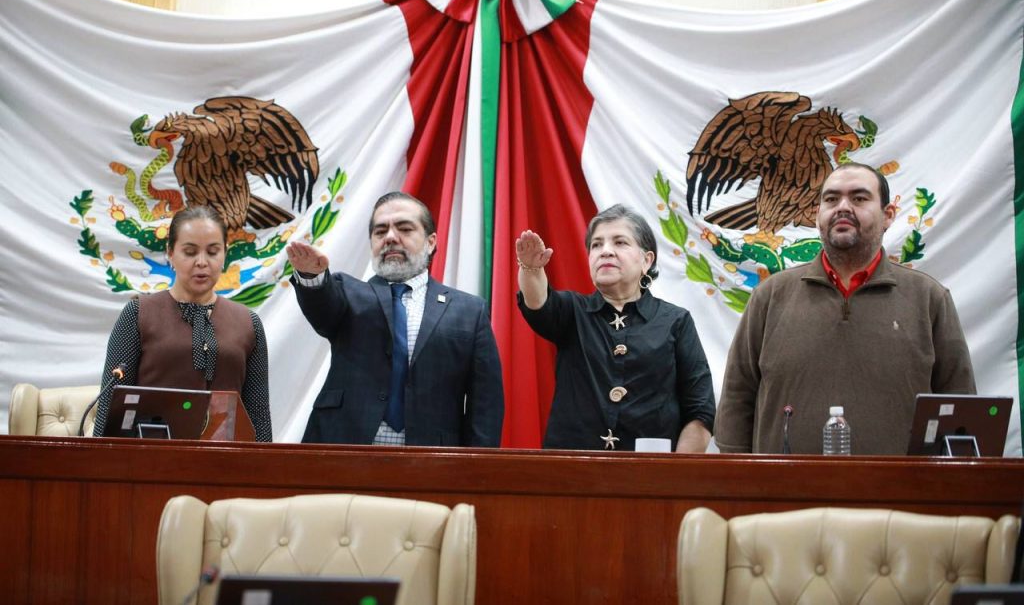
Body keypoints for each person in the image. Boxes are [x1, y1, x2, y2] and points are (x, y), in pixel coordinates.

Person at [715, 162, 976, 455]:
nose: (842, 207)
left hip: (900, 486)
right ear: (818, 215)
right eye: (831, 199)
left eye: (859, 198)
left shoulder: (929, 298)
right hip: (785, 484)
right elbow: (737, 397)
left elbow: (960, 408)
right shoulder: (770, 296)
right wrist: (738, 474)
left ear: (888, 215)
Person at [286, 191, 504, 446]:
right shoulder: (346, 291)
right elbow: (322, 309)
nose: (390, 237)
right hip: (343, 449)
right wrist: (312, 277)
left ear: (431, 242)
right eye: (380, 232)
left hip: (431, 458)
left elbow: (486, 403)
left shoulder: (469, 311)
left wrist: (477, 465)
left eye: (405, 228)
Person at [516, 204, 716, 452]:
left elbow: (700, 410)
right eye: (596, 245)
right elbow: (537, 302)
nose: (606, 251)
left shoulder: (676, 321)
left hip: (648, 472)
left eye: (620, 242)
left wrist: (673, 471)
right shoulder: (572, 311)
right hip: (571, 470)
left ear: (646, 260)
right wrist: (531, 269)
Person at [93, 206, 272, 441]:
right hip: (150, 457)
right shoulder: (138, 314)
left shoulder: (248, 323)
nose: (202, 262)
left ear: (225, 254)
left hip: (226, 460)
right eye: (190, 252)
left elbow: (258, 416)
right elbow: (109, 409)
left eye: (213, 252)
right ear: (170, 253)